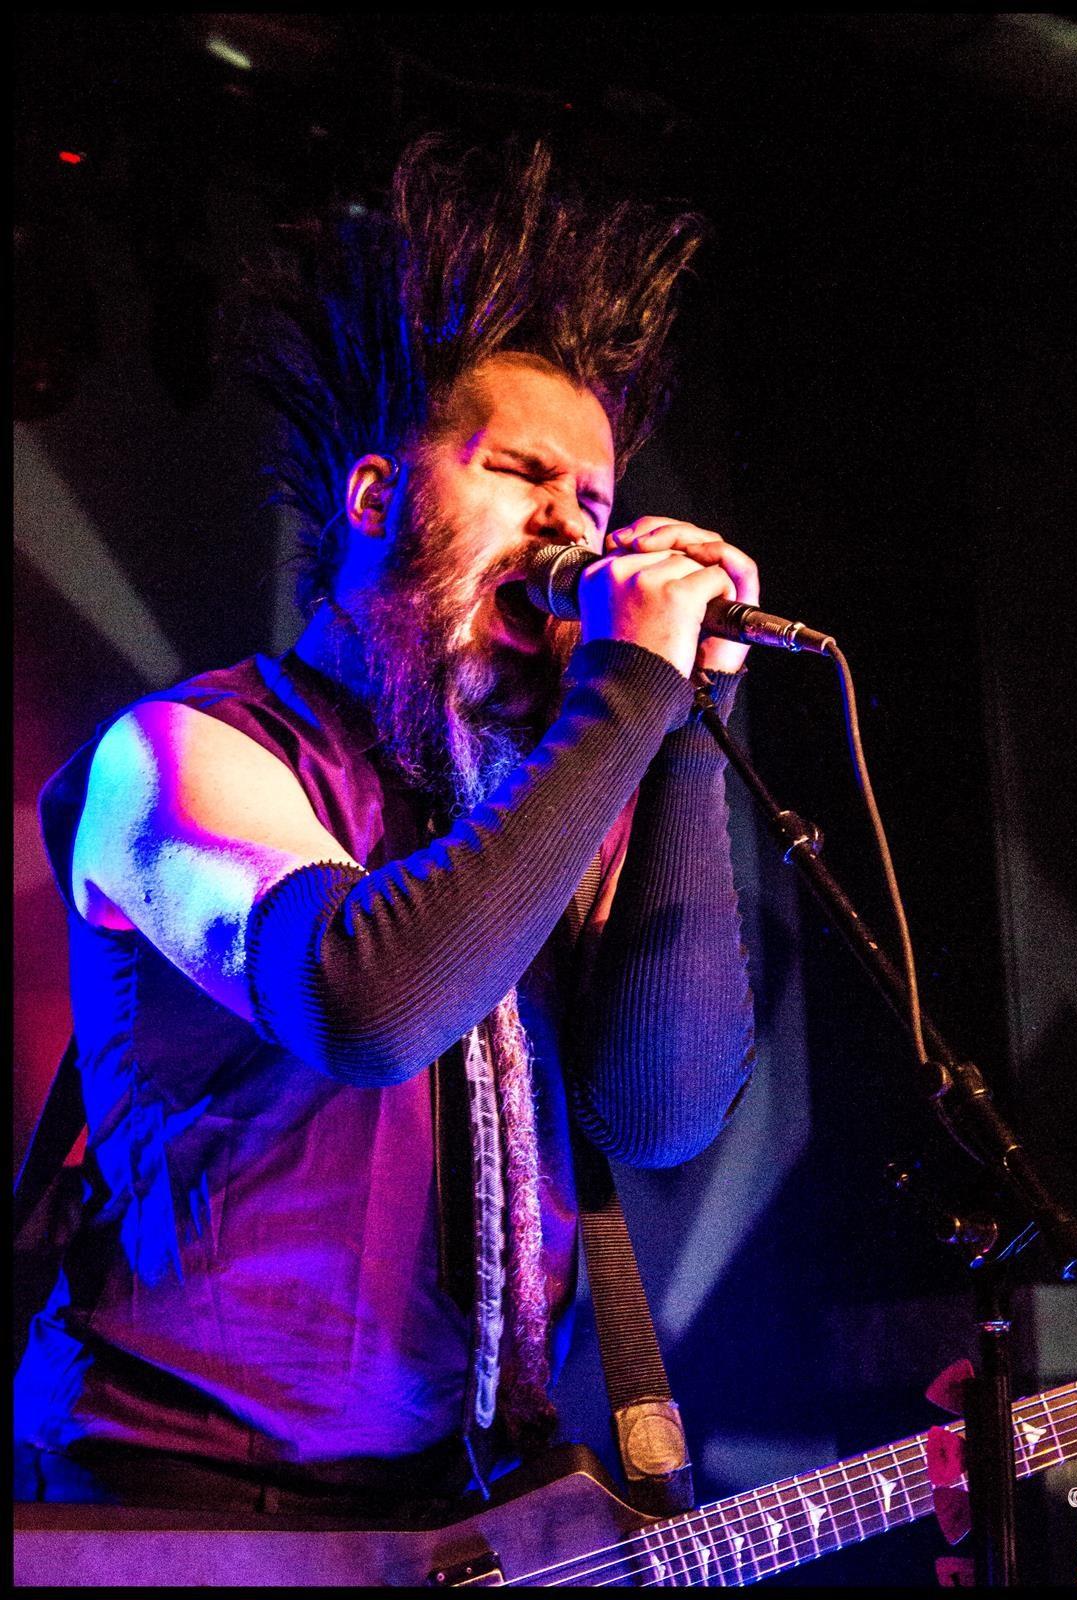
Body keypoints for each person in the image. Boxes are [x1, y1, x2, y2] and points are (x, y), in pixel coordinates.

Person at [14, 135, 757, 1519]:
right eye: (525, 474)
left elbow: (659, 1112)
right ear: (377, 499)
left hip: (447, 1508)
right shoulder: (181, 754)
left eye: (597, 502)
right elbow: (362, 1001)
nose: (573, 530)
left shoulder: (545, 800)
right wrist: (624, 701)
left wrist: (685, 729)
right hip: (177, 1498)